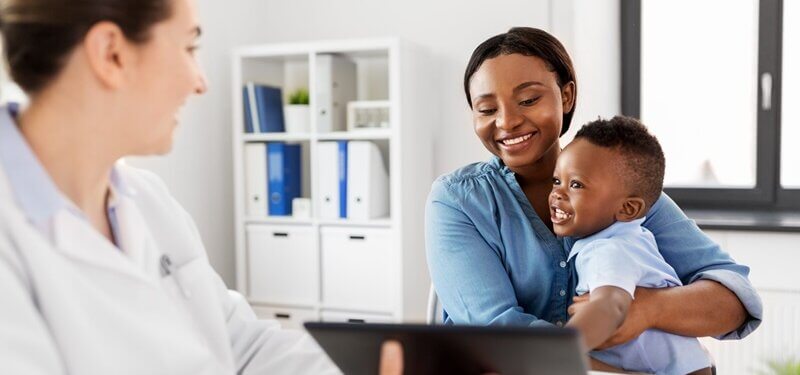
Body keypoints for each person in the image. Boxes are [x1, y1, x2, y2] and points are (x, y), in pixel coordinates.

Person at [0, 0, 405, 373]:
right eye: (190, 48)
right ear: (112, 54)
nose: (200, 82)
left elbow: (239, 345)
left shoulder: (147, 200)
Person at [425, 26, 763, 365]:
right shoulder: (458, 201)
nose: (508, 121)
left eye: (528, 100)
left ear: (567, 95)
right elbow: (498, 338)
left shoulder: (621, 186)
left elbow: (734, 300)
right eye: (486, 110)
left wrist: (647, 309)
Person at [554, 116, 711, 374]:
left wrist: (560, 347)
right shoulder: (627, 238)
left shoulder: (610, 249)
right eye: (556, 181)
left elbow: (610, 305)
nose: (558, 193)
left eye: (576, 185)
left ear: (628, 208)